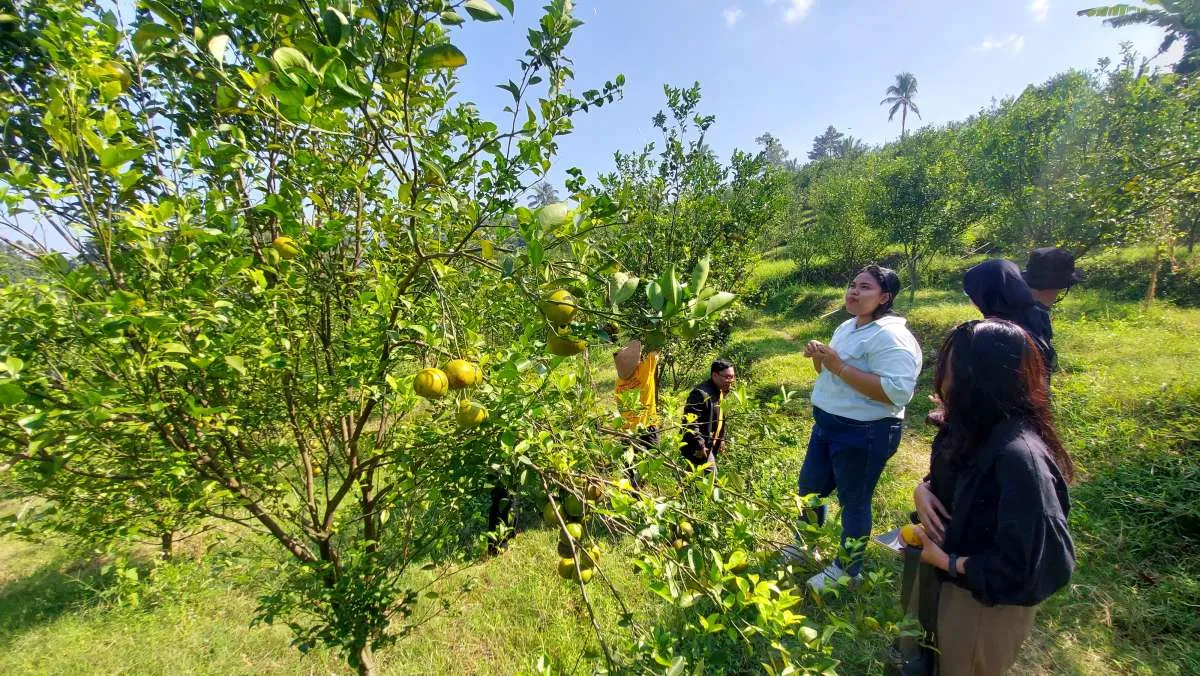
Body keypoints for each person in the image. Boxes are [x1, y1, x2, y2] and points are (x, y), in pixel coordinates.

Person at [910, 319, 1075, 676]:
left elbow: (1031, 567)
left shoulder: (1019, 458)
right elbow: (959, 482)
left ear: (977, 378)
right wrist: (923, 489)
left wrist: (948, 562)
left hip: (981, 604)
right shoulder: (969, 427)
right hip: (940, 578)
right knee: (917, 661)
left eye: (949, 368)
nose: (940, 379)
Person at [795, 265, 923, 590]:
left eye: (865, 287)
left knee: (854, 501)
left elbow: (896, 392)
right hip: (827, 425)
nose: (854, 291)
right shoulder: (847, 326)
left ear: (884, 297)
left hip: (864, 432)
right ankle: (804, 544)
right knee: (810, 488)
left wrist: (838, 365)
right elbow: (826, 372)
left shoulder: (892, 337)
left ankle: (847, 571)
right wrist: (820, 356)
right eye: (853, 285)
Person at [962, 258, 1055, 374]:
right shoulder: (1038, 314)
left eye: (969, 293)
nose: (970, 299)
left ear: (985, 294)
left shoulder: (994, 334)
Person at [614, 339, 659, 486]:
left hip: (627, 431)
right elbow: (656, 347)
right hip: (648, 426)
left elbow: (620, 406)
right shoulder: (645, 370)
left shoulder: (619, 382)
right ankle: (641, 489)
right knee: (650, 464)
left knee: (630, 469)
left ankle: (633, 492)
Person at [681, 359, 736, 469]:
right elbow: (691, 421)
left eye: (732, 377)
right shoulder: (700, 393)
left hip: (709, 444)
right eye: (727, 377)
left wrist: (721, 438)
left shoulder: (720, 391)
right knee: (710, 476)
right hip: (698, 445)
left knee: (693, 476)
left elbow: (719, 418)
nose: (730, 381)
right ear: (715, 375)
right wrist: (699, 445)